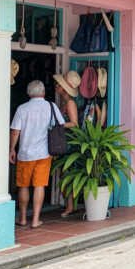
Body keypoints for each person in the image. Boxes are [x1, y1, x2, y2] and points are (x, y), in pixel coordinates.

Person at [10, 80, 64, 228]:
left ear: (28, 93)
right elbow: (61, 124)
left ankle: (22, 218)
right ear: (43, 93)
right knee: (39, 185)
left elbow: (15, 131)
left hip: (25, 153)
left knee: (23, 186)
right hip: (44, 153)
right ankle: (35, 220)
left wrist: (11, 149)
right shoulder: (51, 106)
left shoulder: (22, 109)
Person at [53, 71, 81, 218]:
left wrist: (58, 125)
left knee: (67, 174)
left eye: (59, 85)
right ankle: (69, 204)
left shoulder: (70, 103)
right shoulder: (63, 103)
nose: (56, 86)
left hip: (68, 143)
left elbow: (74, 123)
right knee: (64, 174)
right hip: (64, 141)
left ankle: (70, 206)